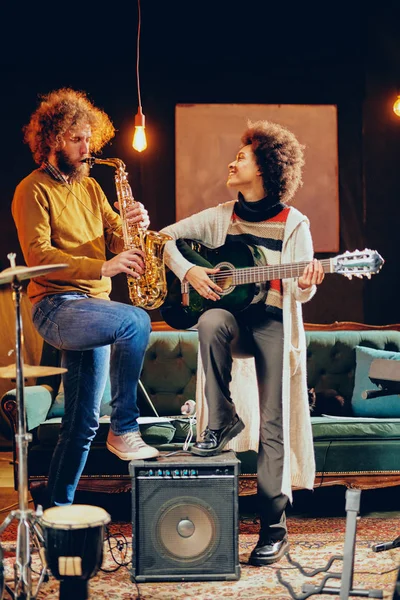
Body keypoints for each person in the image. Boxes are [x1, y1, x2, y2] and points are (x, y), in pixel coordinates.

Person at [161, 120, 325, 566]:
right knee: (211, 318)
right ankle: (223, 419)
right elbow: (162, 239)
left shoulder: (295, 224)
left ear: (267, 168)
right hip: (232, 324)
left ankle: (273, 528)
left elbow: (301, 290)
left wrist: (308, 281)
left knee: (274, 424)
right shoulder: (219, 216)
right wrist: (189, 272)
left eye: (243, 156)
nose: (233, 162)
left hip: (271, 323)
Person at [11, 88, 159, 507]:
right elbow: (39, 256)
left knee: (81, 424)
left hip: (90, 309)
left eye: (89, 139)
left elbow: (115, 237)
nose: (86, 147)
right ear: (53, 139)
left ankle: (55, 512)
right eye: (77, 138)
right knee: (135, 321)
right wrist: (103, 268)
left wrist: (135, 224)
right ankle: (125, 427)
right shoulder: (32, 190)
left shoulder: (92, 188)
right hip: (56, 308)